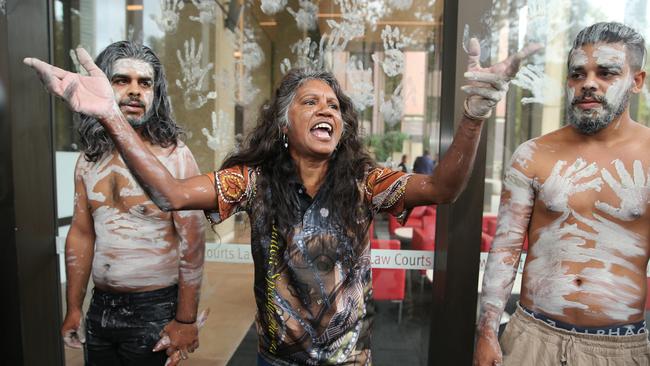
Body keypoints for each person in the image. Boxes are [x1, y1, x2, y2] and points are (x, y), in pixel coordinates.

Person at [24, 36, 536, 365]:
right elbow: (172, 192)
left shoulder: (363, 180)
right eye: (310, 102)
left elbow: (443, 188)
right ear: (284, 123)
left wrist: (472, 114)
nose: (326, 110)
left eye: (334, 105)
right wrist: (112, 116)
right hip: (276, 360)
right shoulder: (254, 180)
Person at [474, 22, 650, 366]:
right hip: (532, 339)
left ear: (637, 81)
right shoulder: (534, 154)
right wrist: (486, 332)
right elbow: (505, 251)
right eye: (577, 74)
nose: (588, 84)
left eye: (607, 72)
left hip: (618, 349)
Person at [55, 41, 206, 366]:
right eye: (121, 80)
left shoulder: (174, 156)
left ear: (156, 94)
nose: (134, 91)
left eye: (144, 83)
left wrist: (185, 320)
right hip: (101, 307)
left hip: (154, 307)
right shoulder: (89, 160)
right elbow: (82, 234)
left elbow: (192, 242)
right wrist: (74, 307)